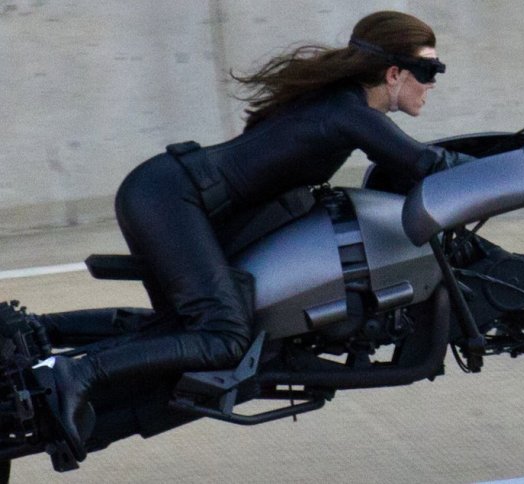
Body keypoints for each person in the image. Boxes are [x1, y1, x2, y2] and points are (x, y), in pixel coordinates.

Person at [32, 10, 476, 460]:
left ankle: (39, 334)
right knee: (223, 338)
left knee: (180, 333)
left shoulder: (336, 102)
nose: (432, 84)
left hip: (165, 192)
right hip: (173, 199)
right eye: (428, 71)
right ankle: (78, 374)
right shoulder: (349, 112)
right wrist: (511, 160)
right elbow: (427, 165)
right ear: (394, 73)